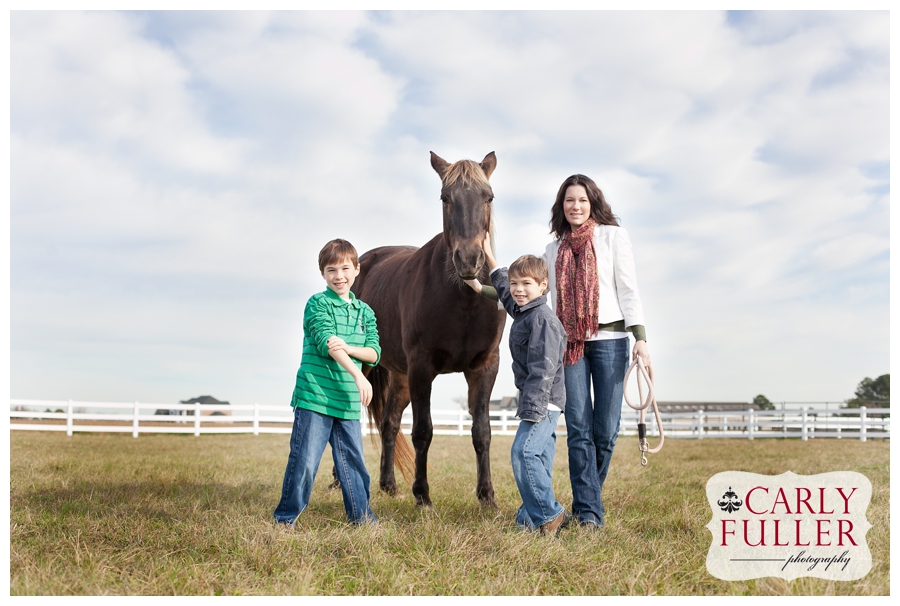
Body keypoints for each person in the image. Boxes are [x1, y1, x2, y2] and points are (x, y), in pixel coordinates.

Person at [544, 174, 650, 528]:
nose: (576, 206)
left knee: (605, 430)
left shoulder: (612, 237)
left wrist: (641, 339)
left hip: (611, 342)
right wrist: (484, 286)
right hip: (570, 346)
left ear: (592, 203)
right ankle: (589, 514)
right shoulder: (552, 250)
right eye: (569, 201)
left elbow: (628, 288)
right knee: (578, 428)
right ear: (562, 206)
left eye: (582, 200)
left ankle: (587, 499)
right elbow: (532, 291)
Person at [464, 239, 571, 536]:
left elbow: (543, 370)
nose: (519, 289)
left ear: (543, 285)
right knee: (539, 458)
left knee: (523, 453)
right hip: (541, 399)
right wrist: (489, 257)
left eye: (526, 283)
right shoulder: (525, 311)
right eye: (515, 283)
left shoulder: (543, 321)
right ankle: (529, 517)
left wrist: (532, 409)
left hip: (543, 401)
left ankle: (550, 514)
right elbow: (506, 295)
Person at [273, 239, 381, 527]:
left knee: (354, 466)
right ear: (323, 273)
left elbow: (374, 352)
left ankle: (362, 519)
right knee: (305, 463)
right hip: (315, 397)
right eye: (331, 270)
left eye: (345, 268)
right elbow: (328, 344)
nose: (339, 276)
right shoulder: (317, 303)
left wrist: (349, 348)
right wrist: (358, 373)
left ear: (357, 269)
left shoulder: (365, 312)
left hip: (346, 400)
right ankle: (285, 520)